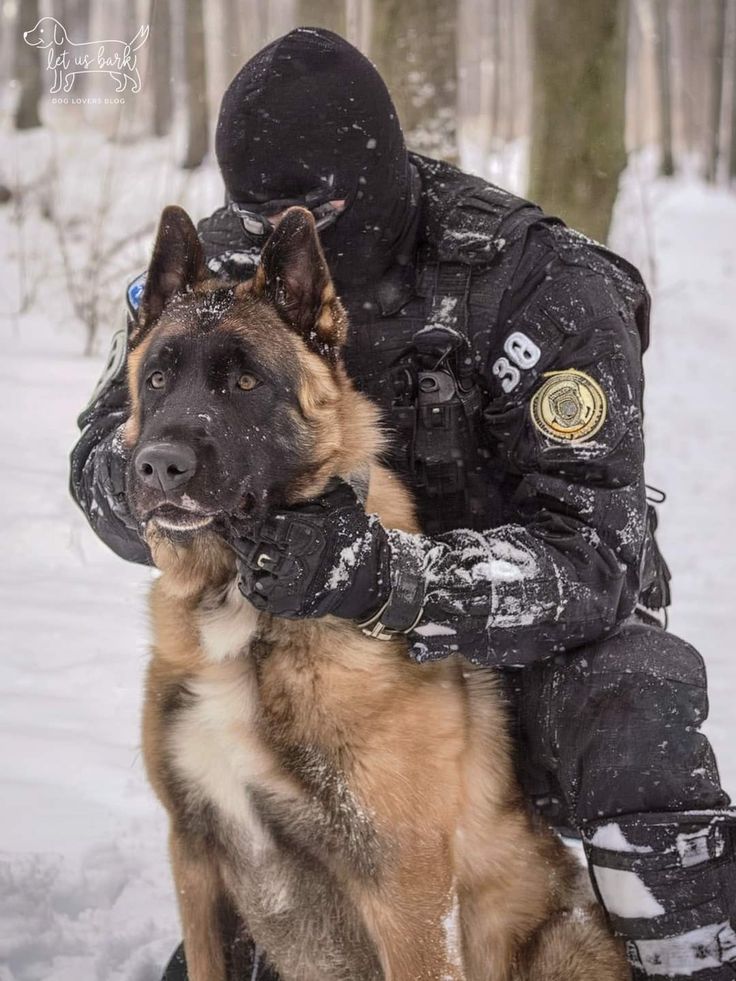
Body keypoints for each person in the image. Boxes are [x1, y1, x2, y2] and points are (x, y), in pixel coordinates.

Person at [70, 27, 735, 981]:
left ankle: (693, 958)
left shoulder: (537, 282)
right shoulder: (223, 269)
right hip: (319, 655)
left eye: (322, 209)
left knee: (636, 693)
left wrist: (388, 576)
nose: (285, 233)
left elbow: (599, 557)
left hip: (518, 652)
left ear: (382, 177)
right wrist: (172, 485)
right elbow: (106, 446)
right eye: (257, 210)